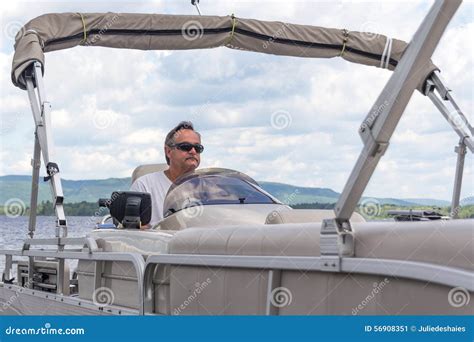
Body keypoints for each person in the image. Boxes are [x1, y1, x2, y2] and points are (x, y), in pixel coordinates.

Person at [130, 121, 203, 226]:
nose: (193, 151)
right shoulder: (145, 186)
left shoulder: (210, 188)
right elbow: (133, 231)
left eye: (198, 148)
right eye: (185, 146)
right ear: (168, 151)